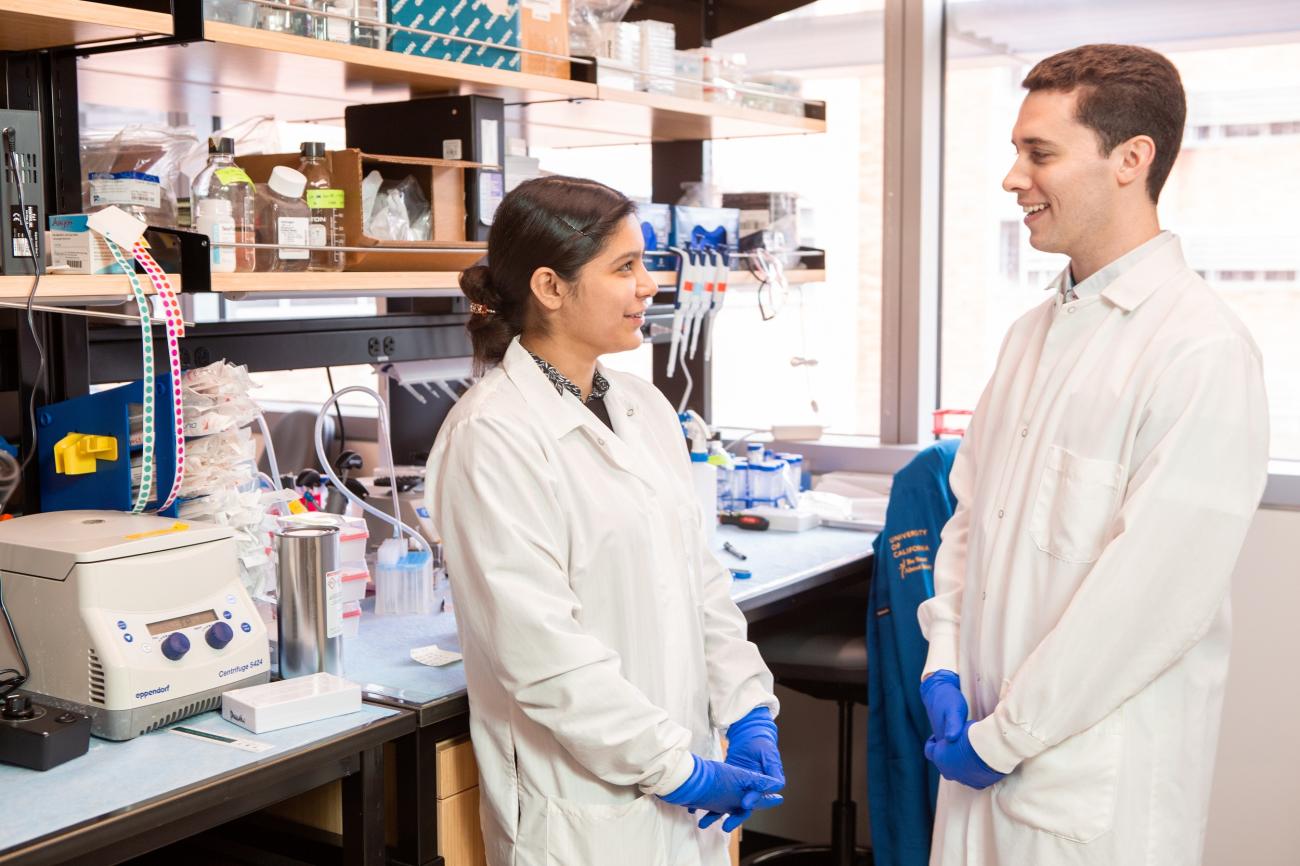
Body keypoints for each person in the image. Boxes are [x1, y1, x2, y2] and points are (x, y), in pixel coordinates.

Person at [917, 44, 1270, 866]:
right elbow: (971, 519)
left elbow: (1149, 599)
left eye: (1039, 153)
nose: (1013, 178)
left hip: (1086, 792)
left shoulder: (1200, 349)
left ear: (1130, 160)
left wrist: (1008, 736)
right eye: (1015, 152)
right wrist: (944, 661)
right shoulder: (1030, 336)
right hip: (980, 751)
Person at [426, 176, 785, 866]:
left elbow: (700, 580)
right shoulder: (493, 434)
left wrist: (746, 711)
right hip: (581, 811)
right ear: (551, 288)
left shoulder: (644, 406)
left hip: (680, 793)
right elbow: (541, 653)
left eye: (644, 263)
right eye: (625, 268)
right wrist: (678, 769)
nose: (648, 285)